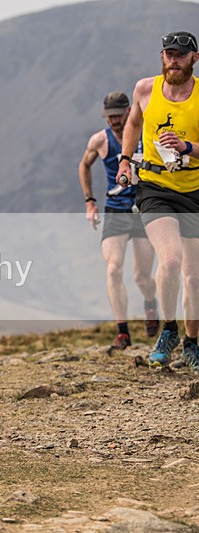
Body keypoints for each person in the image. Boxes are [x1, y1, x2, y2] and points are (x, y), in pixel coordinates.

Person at [116, 31, 199, 370]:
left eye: (180, 54)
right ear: (162, 57)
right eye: (168, 54)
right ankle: (168, 329)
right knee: (170, 260)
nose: (173, 60)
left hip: (194, 189)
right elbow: (133, 122)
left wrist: (187, 148)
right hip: (154, 188)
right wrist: (125, 159)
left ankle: (192, 344)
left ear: (194, 58)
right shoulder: (145, 89)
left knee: (194, 276)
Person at [79, 92, 159, 352]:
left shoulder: (144, 132)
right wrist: (90, 201)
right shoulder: (100, 140)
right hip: (115, 209)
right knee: (113, 269)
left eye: (118, 115)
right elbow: (84, 165)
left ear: (128, 112)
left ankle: (150, 303)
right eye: (109, 117)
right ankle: (122, 332)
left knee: (142, 276)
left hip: (143, 208)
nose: (114, 121)